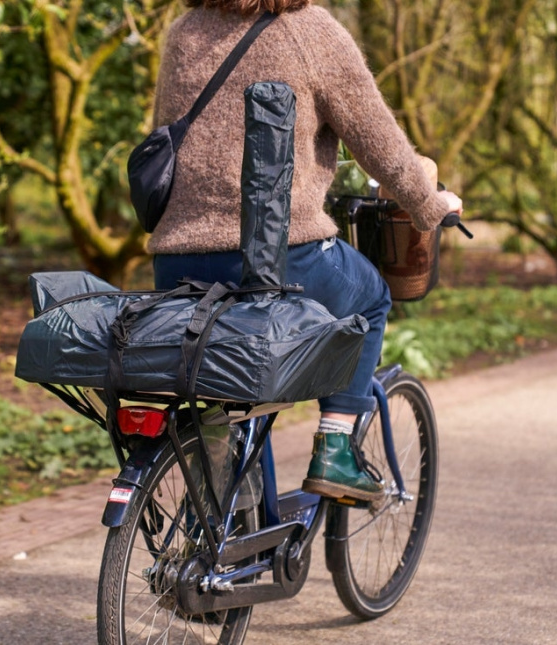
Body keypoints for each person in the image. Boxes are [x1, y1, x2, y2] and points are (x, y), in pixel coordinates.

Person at [149, 0, 463, 502]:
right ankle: (336, 451)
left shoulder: (183, 32)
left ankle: (221, 484)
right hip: (277, 256)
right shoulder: (309, 31)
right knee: (370, 297)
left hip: (176, 258)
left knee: (225, 385)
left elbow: (165, 141)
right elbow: (379, 142)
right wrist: (429, 204)